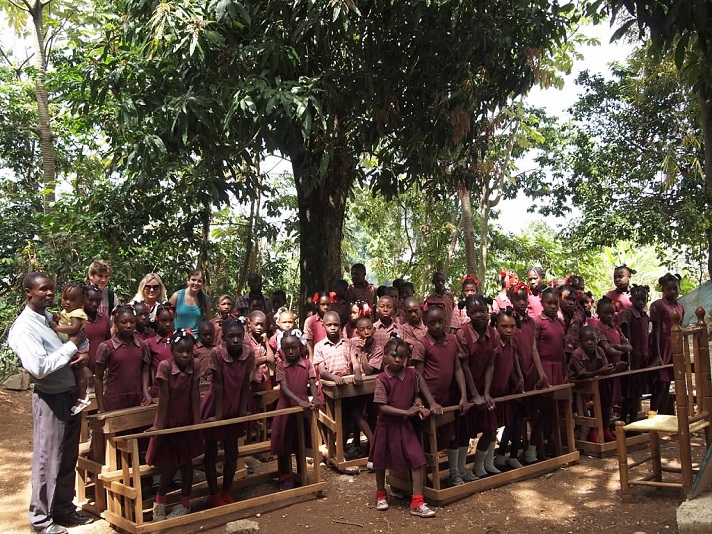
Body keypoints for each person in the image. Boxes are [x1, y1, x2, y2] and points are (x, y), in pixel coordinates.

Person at [8, 272, 91, 534]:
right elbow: (39, 367)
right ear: (28, 293)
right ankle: (41, 520)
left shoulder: (49, 318)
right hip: (50, 398)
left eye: (51, 288)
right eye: (43, 289)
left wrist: (83, 355)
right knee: (48, 459)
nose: (49, 293)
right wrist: (72, 347)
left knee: (67, 456)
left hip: (70, 396)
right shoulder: (24, 328)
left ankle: (63, 509)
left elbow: (72, 346)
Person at [372, 335, 437, 518]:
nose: (398, 359)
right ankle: (381, 494)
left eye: (402, 356)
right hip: (387, 426)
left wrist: (420, 408)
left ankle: (417, 501)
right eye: (394, 355)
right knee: (381, 460)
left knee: (417, 459)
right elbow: (382, 406)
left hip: (405, 426)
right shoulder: (381, 379)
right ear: (385, 355)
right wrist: (406, 412)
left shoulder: (412, 374)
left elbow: (416, 395)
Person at [146, 329, 204, 521]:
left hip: (187, 419)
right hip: (169, 420)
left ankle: (184, 503)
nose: (185, 355)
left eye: (188, 351)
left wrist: (197, 421)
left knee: (187, 463)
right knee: (169, 464)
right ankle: (160, 502)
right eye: (180, 351)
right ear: (172, 350)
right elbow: (164, 398)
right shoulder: (165, 367)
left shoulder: (195, 365)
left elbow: (195, 393)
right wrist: (159, 427)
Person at [411, 304, 468, 487]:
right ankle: (423, 478)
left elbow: (457, 368)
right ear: (425, 323)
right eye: (432, 322)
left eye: (440, 321)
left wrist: (463, 395)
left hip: (448, 398)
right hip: (429, 400)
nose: (437, 326)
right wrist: (431, 402)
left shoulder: (452, 340)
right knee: (427, 440)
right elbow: (419, 376)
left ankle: (454, 473)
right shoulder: (421, 345)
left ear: (445, 321)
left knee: (451, 436)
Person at [200, 318, 255, 507]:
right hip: (216, 405)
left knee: (232, 452)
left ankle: (226, 490)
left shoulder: (248, 353)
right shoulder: (216, 353)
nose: (235, 340)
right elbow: (218, 385)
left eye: (239, 336)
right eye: (231, 336)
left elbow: (246, 383)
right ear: (223, 338)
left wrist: (242, 410)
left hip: (235, 405)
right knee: (211, 452)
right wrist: (218, 415)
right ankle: (214, 493)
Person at [457, 295, 500, 478]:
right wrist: (474, 395)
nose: (478, 315)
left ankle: (480, 465)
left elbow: (491, 365)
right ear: (467, 313)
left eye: (482, 310)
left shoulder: (494, 334)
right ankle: (459, 470)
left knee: (490, 428)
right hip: (466, 388)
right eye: (473, 312)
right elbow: (464, 366)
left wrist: (486, 393)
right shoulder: (462, 334)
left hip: (484, 386)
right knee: (464, 432)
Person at [271, 330, 320, 490]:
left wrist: (315, 398)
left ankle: (301, 473)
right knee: (283, 444)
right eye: (287, 348)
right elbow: (285, 389)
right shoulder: (281, 366)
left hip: (302, 409)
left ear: (300, 347)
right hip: (285, 409)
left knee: (300, 442)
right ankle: (284, 476)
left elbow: (312, 383)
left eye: (293, 347)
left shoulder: (307, 364)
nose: (290, 351)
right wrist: (299, 401)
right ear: (282, 350)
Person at [568, 326, 626, 442]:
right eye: (586, 340)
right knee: (588, 404)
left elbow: (605, 368)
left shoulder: (599, 350)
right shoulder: (576, 354)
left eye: (593, 339)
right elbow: (583, 374)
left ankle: (605, 429)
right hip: (579, 387)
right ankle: (591, 432)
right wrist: (600, 371)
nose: (590, 342)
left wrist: (615, 368)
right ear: (580, 342)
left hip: (595, 383)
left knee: (606, 392)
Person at [94, 306, 149, 412]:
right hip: (114, 399)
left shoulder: (141, 345)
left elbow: (145, 370)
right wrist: (100, 407)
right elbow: (98, 378)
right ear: (116, 323)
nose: (128, 325)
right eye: (124, 322)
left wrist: (146, 393)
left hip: (137, 398)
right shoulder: (106, 347)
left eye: (132, 322)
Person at [50, 282, 92, 415]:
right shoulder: (67, 312)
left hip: (79, 345)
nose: (67, 302)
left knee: (79, 371)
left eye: (72, 300)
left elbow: (74, 328)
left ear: (81, 302)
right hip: (72, 344)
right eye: (65, 298)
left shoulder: (77, 313)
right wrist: (58, 319)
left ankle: (83, 397)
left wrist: (56, 327)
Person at [491, 308, 525, 470]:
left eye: (512, 326)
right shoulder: (494, 344)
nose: (509, 330)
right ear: (496, 326)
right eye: (504, 326)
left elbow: (513, 361)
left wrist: (519, 379)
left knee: (514, 422)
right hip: (492, 391)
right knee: (490, 428)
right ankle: (486, 463)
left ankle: (505, 456)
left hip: (508, 389)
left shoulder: (512, 344)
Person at [649, 273, 684, 414]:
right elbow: (656, 331)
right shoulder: (657, 305)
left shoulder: (680, 307)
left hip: (673, 347)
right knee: (660, 384)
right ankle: (653, 414)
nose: (673, 292)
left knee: (668, 383)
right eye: (669, 289)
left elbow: (679, 329)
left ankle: (663, 415)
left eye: (675, 289)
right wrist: (657, 354)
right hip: (661, 346)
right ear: (663, 289)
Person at [618, 284, 652, 425]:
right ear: (631, 299)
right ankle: (623, 422)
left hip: (642, 358)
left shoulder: (645, 316)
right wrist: (629, 357)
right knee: (629, 394)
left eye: (644, 299)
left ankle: (633, 422)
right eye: (638, 299)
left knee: (637, 394)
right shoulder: (628, 314)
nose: (641, 302)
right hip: (631, 359)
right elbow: (626, 336)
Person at [144, 302, 176, 402]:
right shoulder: (149, 343)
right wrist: (146, 393)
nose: (168, 324)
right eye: (163, 320)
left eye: (171, 320)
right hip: (158, 393)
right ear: (156, 320)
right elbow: (145, 370)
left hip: (177, 391)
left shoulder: (178, 341)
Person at [83, 283, 111, 375]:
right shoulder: (76, 319)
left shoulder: (104, 318)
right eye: (90, 300)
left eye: (98, 301)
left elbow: (109, 342)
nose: (94, 304)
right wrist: (83, 368)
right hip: (84, 370)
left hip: (103, 368)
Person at [304, 292, 332, 359]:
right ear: (317, 305)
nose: (325, 307)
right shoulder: (310, 321)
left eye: (328, 305)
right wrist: (311, 359)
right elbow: (309, 344)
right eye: (322, 304)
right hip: (317, 357)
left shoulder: (334, 320)